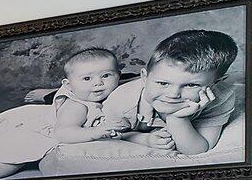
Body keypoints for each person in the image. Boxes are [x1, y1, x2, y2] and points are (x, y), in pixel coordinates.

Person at [0, 46, 136, 179]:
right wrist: (96, 132)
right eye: (87, 79)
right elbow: (63, 134)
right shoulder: (77, 106)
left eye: (106, 75)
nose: (98, 83)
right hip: (24, 130)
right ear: (69, 85)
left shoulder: (113, 97)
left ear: (118, 76)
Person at [100, 28, 242, 157]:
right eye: (163, 83)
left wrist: (177, 118)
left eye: (191, 85)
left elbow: (198, 149)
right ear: (145, 77)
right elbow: (101, 135)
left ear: (215, 83)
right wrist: (142, 139)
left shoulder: (221, 97)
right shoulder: (121, 100)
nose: (173, 94)